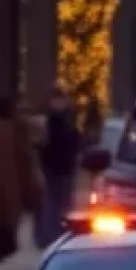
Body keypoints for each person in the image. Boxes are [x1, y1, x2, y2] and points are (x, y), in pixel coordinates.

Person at [0, 95, 41, 263]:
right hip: (12, 178)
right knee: (9, 214)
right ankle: (6, 247)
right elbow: (25, 155)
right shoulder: (15, 128)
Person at [36, 87, 81, 247]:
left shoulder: (64, 120)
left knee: (59, 204)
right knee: (54, 204)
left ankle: (56, 235)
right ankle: (52, 236)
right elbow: (49, 146)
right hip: (56, 168)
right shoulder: (55, 121)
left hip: (62, 167)